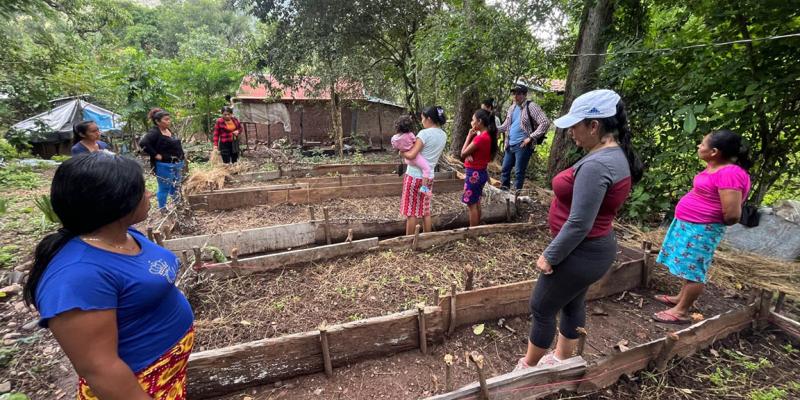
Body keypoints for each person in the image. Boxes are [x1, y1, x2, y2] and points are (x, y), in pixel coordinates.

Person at [22, 152, 194, 399]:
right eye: (141, 189)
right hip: (139, 385)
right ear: (116, 202)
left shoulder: (126, 235)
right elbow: (100, 369)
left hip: (168, 373)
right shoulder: (76, 276)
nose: (148, 194)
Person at [515, 89, 643, 371]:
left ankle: (527, 368)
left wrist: (550, 255)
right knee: (572, 302)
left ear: (594, 126)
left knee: (542, 306)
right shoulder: (613, 155)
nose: (571, 131)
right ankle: (563, 357)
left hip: (580, 251)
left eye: (575, 125)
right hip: (594, 250)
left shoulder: (597, 165)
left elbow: (579, 222)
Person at [653, 130, 751, 324]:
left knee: (694, 270)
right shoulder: (714, 167)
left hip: (702, 229)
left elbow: (732, 214)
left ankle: (681, 311)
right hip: (690, 224)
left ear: (714, 151)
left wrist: (707, 222)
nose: (699, 146)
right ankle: (680, 298)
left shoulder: (730, 173)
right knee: (686, 264)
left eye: (703, 144)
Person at [399, 106, 447, 235]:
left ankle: (409, 241)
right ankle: (427, 237)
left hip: (414, 177)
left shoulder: (424, 134)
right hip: (429, 177)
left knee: (411, 211)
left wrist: (402, 153)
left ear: (429, 119)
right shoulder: (443, 135)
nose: (422, 121)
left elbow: (412, 155)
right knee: (425, 209)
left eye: (422, 119)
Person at [497, 84, 550, 193]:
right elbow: (506, 125)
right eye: (514, 94)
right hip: (510, 144)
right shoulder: (512, 108)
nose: (516, 96)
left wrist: (530, 138)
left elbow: (545, 122)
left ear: (525, 95)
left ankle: (516, 197)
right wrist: (492, 128)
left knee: (519, 172)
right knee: (505, 169)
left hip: (523, 145)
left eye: (519, 94)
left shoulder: (531, 106)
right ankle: (504, 194)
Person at [139, 108, 185, 209]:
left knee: (176, 185)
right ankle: (163, 208)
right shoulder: (154, 132)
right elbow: (143, 143)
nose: (169, 121)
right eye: (166, 119)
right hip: (164, 165)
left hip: (176, 163)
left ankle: (178, 205)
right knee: (164, 187)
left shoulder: (168, 130)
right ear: (157, 121)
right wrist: (155, 154)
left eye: (169, 119)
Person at [460, 109, 499, 226]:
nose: (471, 122)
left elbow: (462, 153)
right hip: (481, 172)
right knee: (476, 201)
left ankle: (473, 230)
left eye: (473, 120)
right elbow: (475, 152)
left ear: (479, 121)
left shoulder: (480, 138)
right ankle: (477, 226)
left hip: (473, 174)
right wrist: (469, 154)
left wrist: (468, 136)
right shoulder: (488, 136)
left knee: (471, 204)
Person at [392, 115, 432, 196]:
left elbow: (395, 147)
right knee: (427, 169)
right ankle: (424, 188)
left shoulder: (394, 138)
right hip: (415, 157)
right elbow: (416, 143)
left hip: (406, 159)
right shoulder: (410, 135)